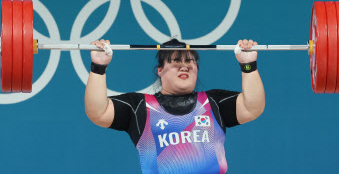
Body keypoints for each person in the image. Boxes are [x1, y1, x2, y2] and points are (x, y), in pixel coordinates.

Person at [84, 38, 265, 174]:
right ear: (160, 71)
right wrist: (98, 67)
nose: (184, 67)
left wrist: (248, 65)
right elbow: (98, 112)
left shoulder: (213, 102)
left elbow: (252, 107)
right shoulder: (139, 106)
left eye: (190, 62)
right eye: (176, 62)